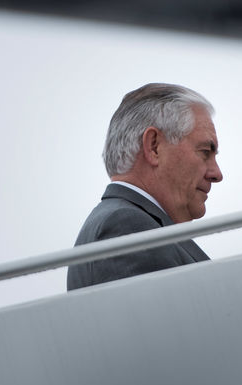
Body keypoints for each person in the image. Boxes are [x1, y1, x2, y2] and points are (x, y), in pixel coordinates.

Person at [67, 83, 223, 290]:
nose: (217, 174)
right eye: (205, 152)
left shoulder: (123, 222)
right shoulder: (127, 226)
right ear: (154, 146)